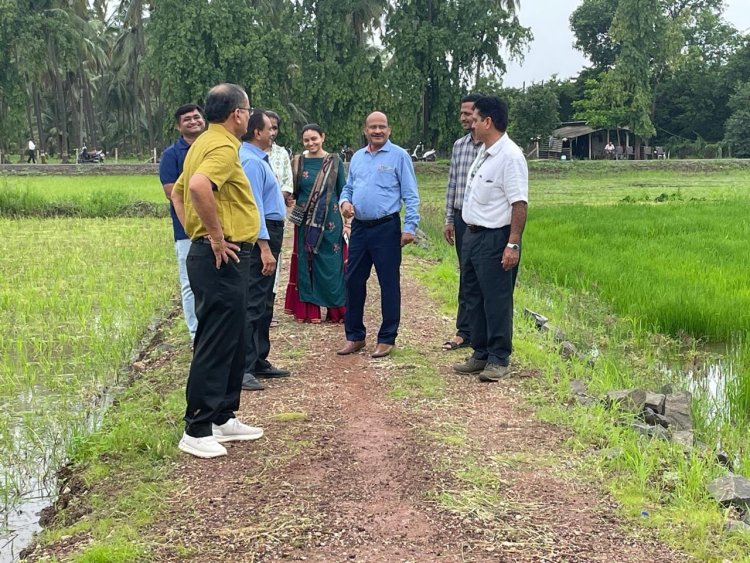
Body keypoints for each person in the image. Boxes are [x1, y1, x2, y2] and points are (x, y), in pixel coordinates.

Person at [170, 83, 263, 459]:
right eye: (248, 110)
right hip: (220, 256)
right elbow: (195, 186)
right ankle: (196, 427)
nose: (248, 116)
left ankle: (223, 416)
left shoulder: (202, 144)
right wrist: (213, 236)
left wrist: (198, 233)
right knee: (215, 339)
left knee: (233, 335)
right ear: (237, 114)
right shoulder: (222, 146)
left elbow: (177, 193)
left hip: (218, 255)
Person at [452, 96, 528, 382]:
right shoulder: (484, 151)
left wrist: (513, 243)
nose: (470, 123)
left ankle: (499, 357)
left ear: (488, 121)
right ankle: (480, 353)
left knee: (496, 299)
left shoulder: (510, 156)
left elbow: (519, 204)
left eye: (475, 119)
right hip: (471, 235)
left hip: (495, 238)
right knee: (473, 296)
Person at [337, 112, 420, 358]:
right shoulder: (358, 159)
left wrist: (410, 227)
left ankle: (386, 338)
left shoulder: (399, 156)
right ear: (365, 130)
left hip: (387, 228)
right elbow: (349, 187)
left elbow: (411, 194)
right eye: (372, 127)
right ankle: (355, 336)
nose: (377, 131)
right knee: (353, 280)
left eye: (381, 127)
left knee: (388, 283)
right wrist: (344, 202)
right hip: (360, 228)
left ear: (389, 130)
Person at [239, 110, 289, 392]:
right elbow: (253, 207)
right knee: (254, 300)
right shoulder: (250, 161)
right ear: (257, 132)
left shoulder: (259, 159)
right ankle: (244, 367)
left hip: (271, 230)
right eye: (270, 128)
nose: (273, 133)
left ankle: (259, 358)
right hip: (263, 234)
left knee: (265, 299)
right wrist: (264, 247)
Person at [284, 124, 347, 323]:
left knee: (331, 262)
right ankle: (308, 311)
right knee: (307, 261)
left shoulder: (335, 161)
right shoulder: (297, 162)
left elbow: (342, 191)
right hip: (304, 221)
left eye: (314, 139)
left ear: (323, 137)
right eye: (306, 140)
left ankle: (336, 310)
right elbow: (292, 190)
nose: (311, 143)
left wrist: (348, 222)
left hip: (331, 220)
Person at [159, 104, 206, 341]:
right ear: (179, 126)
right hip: (186, 230)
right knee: (190, 284)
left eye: (197, 117)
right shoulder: (172, 154)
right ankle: (195, 334)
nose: (193, 121)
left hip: (217, 227)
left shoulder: (212, 148)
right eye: (187, 119)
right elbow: (171, 191)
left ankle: (211, 333)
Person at [442, 93, 483, 352]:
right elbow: (453, 183)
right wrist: (448, 218)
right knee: (466, 274)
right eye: (462, 113)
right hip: (460, 216)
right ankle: (463, 331)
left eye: (468, 113)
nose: (464, 118)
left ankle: (482, 332)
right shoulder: (459, 146)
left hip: (484, 221)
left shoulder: (493, 147)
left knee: (483, 277)